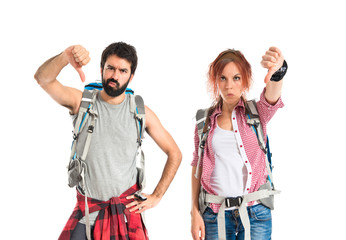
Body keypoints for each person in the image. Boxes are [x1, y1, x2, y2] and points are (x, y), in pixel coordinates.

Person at [34, 42, 182, 240]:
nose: (115, 76)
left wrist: (157, 196)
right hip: (88, 211)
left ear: (131, 76)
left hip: (126, 215)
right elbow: (43, 79)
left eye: (122, 70)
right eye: (110, 68)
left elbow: (175, 153)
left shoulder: (140, 113)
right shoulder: (82, 103)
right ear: (102, 69)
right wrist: (64, 57)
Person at [190, 47, 286, 240]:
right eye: (222, 78)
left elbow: (272, 96)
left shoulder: (257, 113)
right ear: (215, 81)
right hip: (214, 213)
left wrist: (279, 71)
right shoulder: (205, 121)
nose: (229, 86)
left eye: (236, 78)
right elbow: (197, 167)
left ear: (245, 80)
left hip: (255, 212)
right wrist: (194, 212)